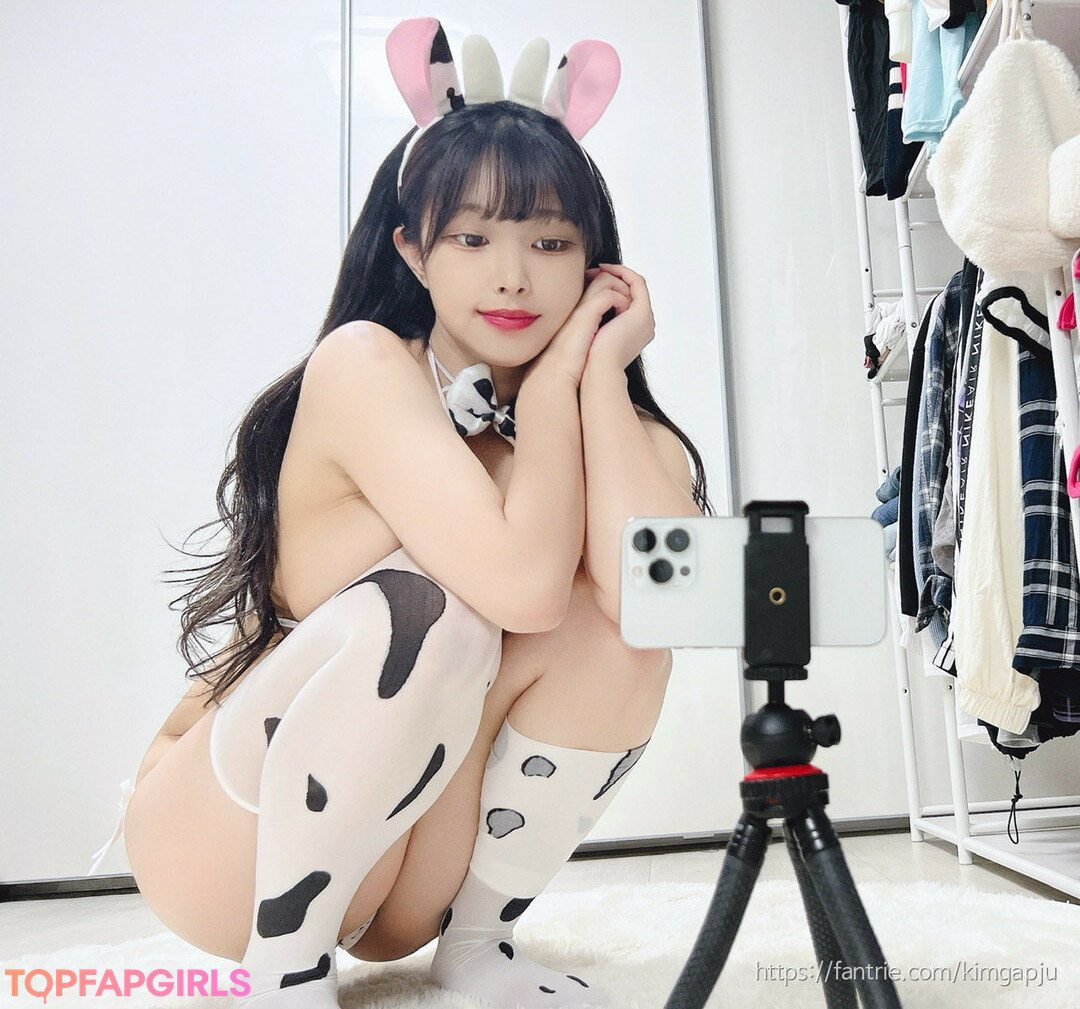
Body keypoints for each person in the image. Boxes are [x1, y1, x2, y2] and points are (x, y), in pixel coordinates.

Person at [123, 18, 711, 1009]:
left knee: (624, 627)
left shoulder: (604, 416)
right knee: (425, 607)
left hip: (408, 866)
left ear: (595, 264)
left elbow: (670, 600)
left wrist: (598, 378)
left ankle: (478, 947)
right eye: (472, 238)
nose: (512, 274)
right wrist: (555, 378)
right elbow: (522, 586)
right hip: (228, 841)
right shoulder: (364, 365)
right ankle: (287, 974)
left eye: (550, 241)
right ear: (413, 250)